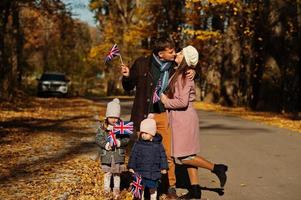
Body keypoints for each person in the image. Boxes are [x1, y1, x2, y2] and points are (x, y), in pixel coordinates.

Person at [120, 36, 196, 198]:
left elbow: (188, 69)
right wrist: (126, 76)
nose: (174, 54)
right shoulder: (141, 63)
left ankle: (170, 186)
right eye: (171, 52)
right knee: (141, 151)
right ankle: (139, 185)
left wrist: (193, 70)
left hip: (163, 115)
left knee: (167, 153)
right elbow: (128, 86)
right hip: (143, 115)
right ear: (161, 54)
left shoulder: (174, 67)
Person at [160, 45, 228, 199]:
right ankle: (195, 190)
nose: (176, 53)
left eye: (180, 52)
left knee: (184, 157)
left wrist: (165, 101)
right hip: (180, 119)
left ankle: (217, 168)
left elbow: (182, 102)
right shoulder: (179, 72)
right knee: (188, 154)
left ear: (185, 58)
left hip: (183, 119)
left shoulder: (184, 75)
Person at [95, 98, 130, 199]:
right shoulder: (103, 128)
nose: (114, 120)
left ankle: (116, 190)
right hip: (107, 155)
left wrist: (120, 142)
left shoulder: (121, 127)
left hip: (118, 155)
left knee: (117, 174)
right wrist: (105, 144)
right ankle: (106, 189)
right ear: (107, 117)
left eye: (116, 117)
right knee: (107, 173)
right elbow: (98, 138)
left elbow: (126, 139)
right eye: (111, 117)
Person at [128, 114, 168, 200]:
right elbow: (133, 155)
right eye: (142, 133)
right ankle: (140, 198)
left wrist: (164, 167)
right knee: (140, 187)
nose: (143, 135)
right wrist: (131, 166)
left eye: (146, 133)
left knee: (152, 188)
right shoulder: (138, 144)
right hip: (140, 170)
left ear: (152, 133)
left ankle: (153, 198)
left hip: (153, 171)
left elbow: (163, 156)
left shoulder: (158, 145)